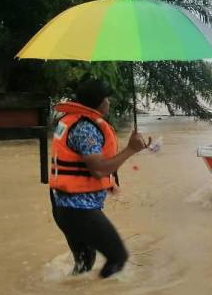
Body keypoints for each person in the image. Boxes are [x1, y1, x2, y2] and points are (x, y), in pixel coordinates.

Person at [49, 78, 150, 278]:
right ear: (100, 102)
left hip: (63, 205)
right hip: (78, 210)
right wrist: (131, 149)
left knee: (85, 264)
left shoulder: (72, 120)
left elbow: (84, 166)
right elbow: (99, 170)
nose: (109, 103)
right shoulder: (86, 128)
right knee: (118, 257)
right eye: (107, 99)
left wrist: (107, 185)